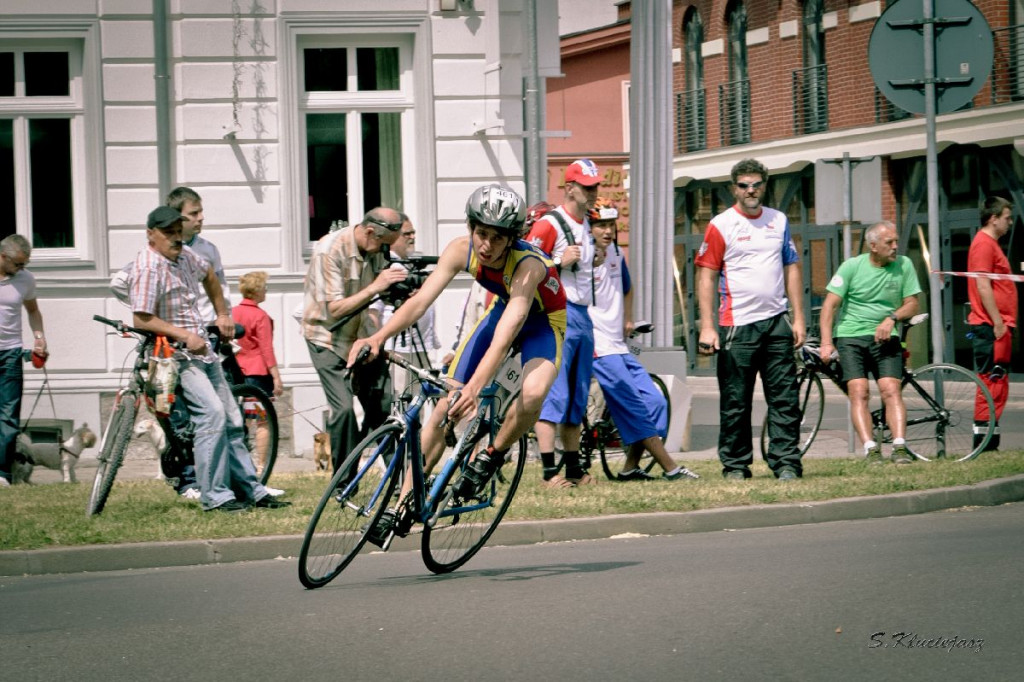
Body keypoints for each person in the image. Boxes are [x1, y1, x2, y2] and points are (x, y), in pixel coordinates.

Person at [349, 184, 565, 530]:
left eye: (498, 238)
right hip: (502, 311)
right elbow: (419, 303)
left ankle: (492, 455)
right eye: (481, 233)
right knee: (443, 408)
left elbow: (508, 332)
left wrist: (475, 388)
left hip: (541, 322)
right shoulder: (460, 250)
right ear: (471, 228)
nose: (487, 245)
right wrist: (377, 337)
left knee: (535, 391)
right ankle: (403, 502)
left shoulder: (528, 266)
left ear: (512, 239)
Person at [128, 206, 289, 511]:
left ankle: (250, 490)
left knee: (232, 418)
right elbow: (141, 319)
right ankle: (215, 496)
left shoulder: (186, 256)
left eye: (178, 231)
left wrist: (223, 313)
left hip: (203, 352)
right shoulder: (149, 266)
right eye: (168, 233)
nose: (176, 238)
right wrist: (184, 334)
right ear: (151, 235)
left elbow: (210, 276)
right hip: (174, 355)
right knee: (212, 415)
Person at [695, 158, 806, 481]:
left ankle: (786, 462)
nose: (750, 190)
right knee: (735, 401)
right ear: (734, 189)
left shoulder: (779, 220)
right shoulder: (721, 224)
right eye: (743, 185)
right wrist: (707, 326)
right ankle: (735, 465)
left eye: (756, 184)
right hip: (736, 326)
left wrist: (798, 318)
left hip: (776, 323)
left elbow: (792, 267)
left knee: (785, 399)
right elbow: (706, 275)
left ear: (765, 186)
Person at [587, 199, 699, 482]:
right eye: (601, 224)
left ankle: (629, 468)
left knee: (655, 402)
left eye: (611, 224)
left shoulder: (614, 252)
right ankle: (671, 469)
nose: (608, 231)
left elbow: (627, 287)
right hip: (598, 347)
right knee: (635, 407)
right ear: (588, 227)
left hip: (618, 344)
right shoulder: (582, 257)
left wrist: (628, 317)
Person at [302, 208, 407, 472]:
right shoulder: (329, 250)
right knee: (344, 411)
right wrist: (376, 286)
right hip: (327, 338)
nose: (383, 252)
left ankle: (397, 479)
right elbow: (334, 309)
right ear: (370, 231)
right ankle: (344, 481)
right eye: (383, 245)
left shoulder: (375, 249)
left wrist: (375, 338)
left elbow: (374, 304)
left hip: (361, 337)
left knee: (383, 407)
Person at [524, 159, 602, 488]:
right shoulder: (549, 224)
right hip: (558, 313)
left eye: (595, 185)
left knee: (577, 396)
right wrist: (558, 261)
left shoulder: (587, 224)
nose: (593, 192)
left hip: (582, 314)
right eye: (586, 186)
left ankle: (573, 469)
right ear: (569, 187)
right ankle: (548, 472)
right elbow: (525, 266)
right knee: (555, 393)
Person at [818, 221, 922, 465]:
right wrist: (826, 342)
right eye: (889, 243)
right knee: (859, 392)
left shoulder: (904, 265)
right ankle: (870, 448)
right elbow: (829, 306)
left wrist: (892, 318)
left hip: (886, 338)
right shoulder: (851, 267)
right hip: (851, 337)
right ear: (873, 246)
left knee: (890, 389)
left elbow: (912, 303)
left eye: (896, 241)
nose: (896, 246)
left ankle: (899, 447)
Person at [370, 215, 442, 391]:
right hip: (398, 350)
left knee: (418, 399)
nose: (412, 237)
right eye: (406, 234)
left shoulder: (408, 265)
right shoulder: (388, 268)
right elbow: (374, 307)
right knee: (401, 396)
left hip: (418, 345)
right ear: (392, 238)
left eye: (413, 233)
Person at [967, 197, 1017, 451]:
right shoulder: (984, 245)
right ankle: (984, 445)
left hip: (999, 325)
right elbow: (982, 284)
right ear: (993, 218)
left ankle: (990, 442)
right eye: (1007, 218)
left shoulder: (991, 244)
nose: (1009, 222)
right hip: (991, 326)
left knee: (997, 385)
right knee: (990, 383)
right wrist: (997, 321)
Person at [0, 235, 47, 488]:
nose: (22, 269)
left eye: (25, 264)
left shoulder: (25, 279)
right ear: (3, 257)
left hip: (10, 352)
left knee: (8, 414)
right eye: (18, 264)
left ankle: (2, 474)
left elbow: (32, 310)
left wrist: (39, 338)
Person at [232, 270, 282, 475]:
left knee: (239, 420)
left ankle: (240, 464)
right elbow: (266, 349)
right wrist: (277, 377)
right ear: (257, 290)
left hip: (236, 372)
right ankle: (261, 465)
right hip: (258, 376)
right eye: (264, 287)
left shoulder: (232, 312)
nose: (267, 290)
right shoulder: (260, 316)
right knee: (263, 420)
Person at [167, 187, 231, 324]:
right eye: (194, 213)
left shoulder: (209, 250)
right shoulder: (161, 250)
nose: (201, 218)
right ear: (177, 216)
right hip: (174, 329)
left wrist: (225, 318)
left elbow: (222, 287)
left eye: (201, 212)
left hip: (207, 326)